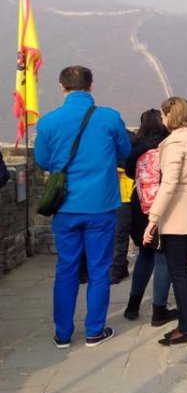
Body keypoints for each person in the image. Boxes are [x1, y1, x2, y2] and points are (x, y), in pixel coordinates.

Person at [34, 65, 131, 348]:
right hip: (101, 205)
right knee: (99, 269)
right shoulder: (109, 118)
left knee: (66, 269)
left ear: (62, 87)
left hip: (65, 206)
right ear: (91, 86)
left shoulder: (48, 122)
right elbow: (124, 151)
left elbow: (43, 160)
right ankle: (94, 331)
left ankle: (63, 334)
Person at [143, 97, 187, 346]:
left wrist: (153, 219)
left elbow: (169, 184)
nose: (162, 119)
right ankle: (186, 324)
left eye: (164, 115)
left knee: (179, 272)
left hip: (177, 216)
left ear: (171, 115)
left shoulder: (176, 142)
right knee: (183, 271)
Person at [123, 109, 177, 326]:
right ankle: (159, 310)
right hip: (164, 207)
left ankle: (132, 306)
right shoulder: (168, 146)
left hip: (139, 205)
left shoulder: (135, 148)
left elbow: (129, 172)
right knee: (163, 256)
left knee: (144, 255)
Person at [110, 165, 134, 284]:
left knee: (119, 236)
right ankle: (121, 268)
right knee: (118, 235)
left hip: (126, 196)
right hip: (117, 195)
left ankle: (116, 271)